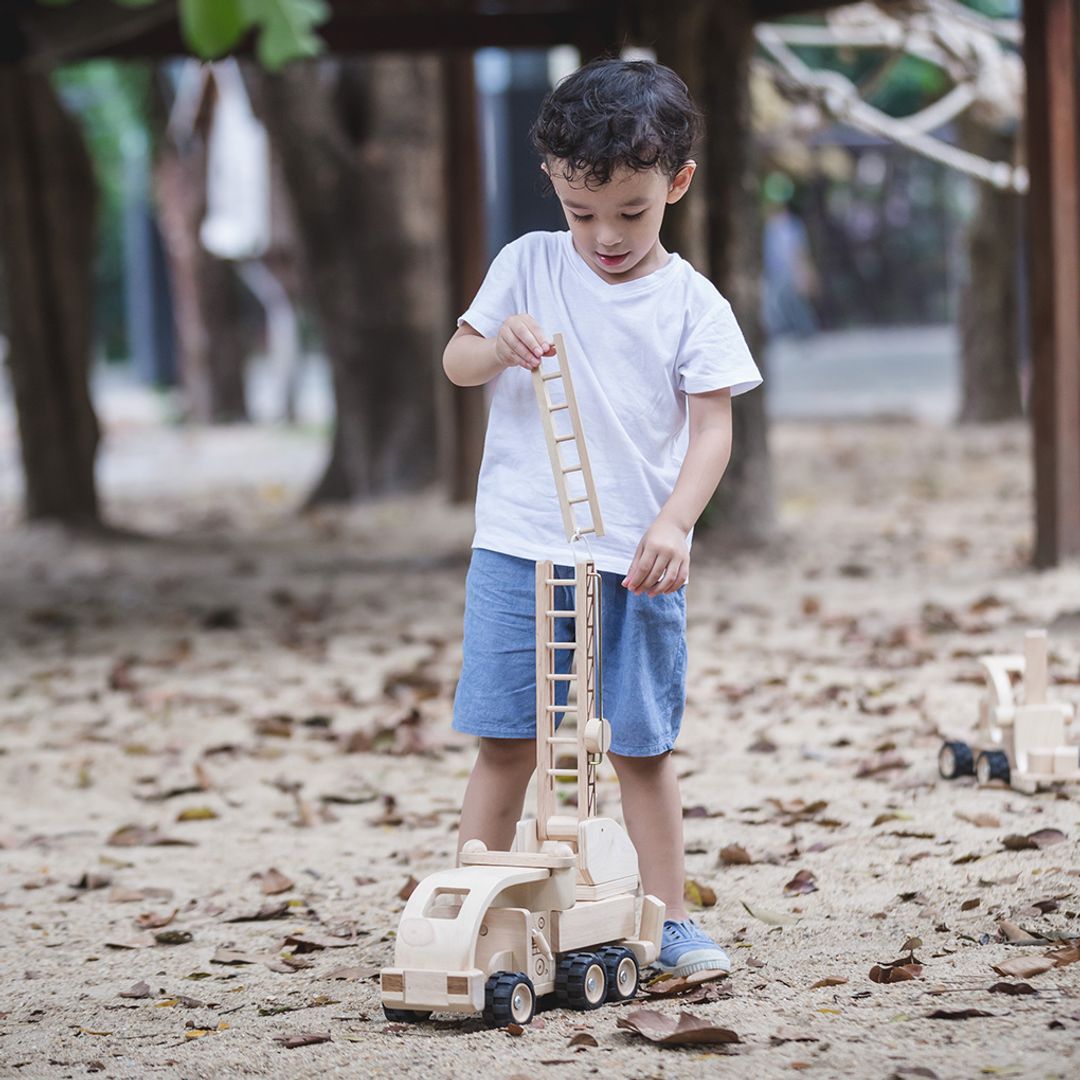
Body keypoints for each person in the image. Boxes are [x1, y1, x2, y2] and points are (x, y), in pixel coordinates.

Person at [442, 58, 762, 980]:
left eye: (631, 211)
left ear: (677, 184)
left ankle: (667, 918)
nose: (605, 235)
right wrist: (494, 343)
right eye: (584, 212)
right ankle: (479, 916)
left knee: (641, 744)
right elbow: (459, 361)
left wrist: (674, 524)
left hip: (636, 558)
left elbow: (712, 431)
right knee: (506, 739)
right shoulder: (528, 264)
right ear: (554, 182)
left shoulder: (693, 303)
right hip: (517, 546)